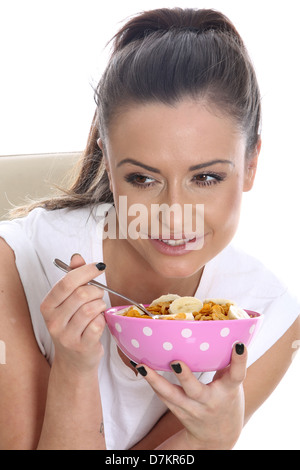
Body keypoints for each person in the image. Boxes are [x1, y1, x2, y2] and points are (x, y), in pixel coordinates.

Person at [0, 7, 299, 450]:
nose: (174, 216)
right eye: (143, 179)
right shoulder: (15, 266)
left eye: (206, 178)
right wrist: (75, 369)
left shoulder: (268, 316)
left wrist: (210, 439)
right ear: (107, 159)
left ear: (251, 164)